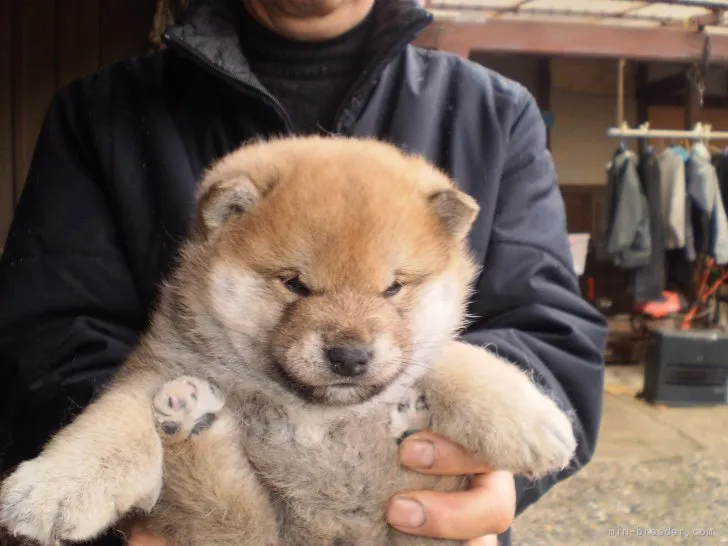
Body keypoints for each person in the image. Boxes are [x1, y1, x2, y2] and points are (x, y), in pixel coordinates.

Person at [0, 0, 608, 545]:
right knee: (167, 404)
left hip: (402, 519)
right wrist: (112, 478)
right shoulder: (98, 112)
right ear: (225, 215)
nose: (351, 338)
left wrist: (489, 459)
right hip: (207, 524)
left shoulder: (496, 112)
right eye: (296, 285)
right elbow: (46, 338)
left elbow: (548, 331)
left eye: (393, 289)